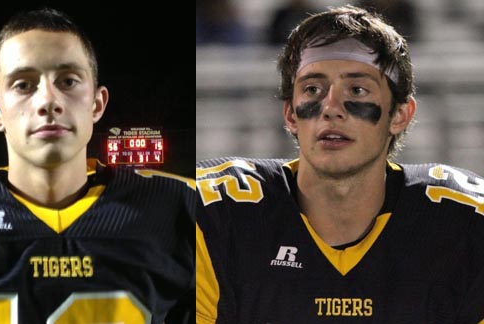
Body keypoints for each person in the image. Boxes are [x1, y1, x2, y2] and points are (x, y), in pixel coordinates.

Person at [196, 5, 484, 323]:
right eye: (313, 89)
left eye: (357, 90)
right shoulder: (216, 217)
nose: (331, 108)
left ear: (400, 114)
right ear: (290, 114)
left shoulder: (464, 226)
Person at [0, 8, 195, 323]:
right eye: (23, 85)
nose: (48, 100)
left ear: (97, 104)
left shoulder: (178, 208)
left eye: (68, 81)